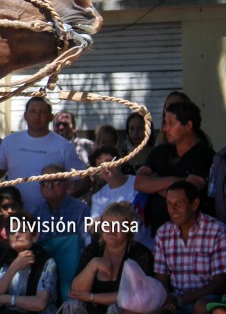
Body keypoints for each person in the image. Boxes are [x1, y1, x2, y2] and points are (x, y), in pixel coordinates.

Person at [0, 97, 87, 212]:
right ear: (25, 115)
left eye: (42, 112)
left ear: (51, 117)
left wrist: (62, 201)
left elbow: (84, 180)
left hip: (51, 219)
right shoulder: (10, 142)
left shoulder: (63, 146)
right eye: (33, 111)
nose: (37, 116)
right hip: (16, 217)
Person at [135, 100, 215, 235]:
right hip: (158, 232)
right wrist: (174, 181)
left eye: (171, 123)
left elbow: (186, 195)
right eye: (165, 123)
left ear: (188, 125)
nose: (165, 128)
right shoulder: (159, 151)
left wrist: (155, 184)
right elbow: (138, 182)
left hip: (194, 234)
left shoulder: (205, 155)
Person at [61, 202, 154, 314]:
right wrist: (93, 265)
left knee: (117, 308)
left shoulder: (140, 253)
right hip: (93, 310)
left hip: (125, 310)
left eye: (118, 225)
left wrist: (91, 297)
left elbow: (134, 296)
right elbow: (76, 291)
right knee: (73, 305)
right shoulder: (94, 250)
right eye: (107, 224)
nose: (111, 229)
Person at [154, 181, 226, 314]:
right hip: (175, 302)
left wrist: (181, 299)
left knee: (202, 306)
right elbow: (161, 278)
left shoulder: (217, 230)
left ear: (195, 204)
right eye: (169, 203)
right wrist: (168, 299)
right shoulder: (163, 233)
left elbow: (219, 283)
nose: (172, 209)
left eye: (179, 203)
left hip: (208, 301)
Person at [31, 164, 90, 302]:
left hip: (73, 279)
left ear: (68, 184)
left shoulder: (81, 210)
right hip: (43, 282)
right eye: (44, 182)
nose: (49, 186)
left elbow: (87, 249)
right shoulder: (35, 212)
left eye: (55, 181)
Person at [0, 211, 58, 314]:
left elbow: (40, 303)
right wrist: (14, 267)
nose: (17, 234)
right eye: (12, 231)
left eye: (22, 230)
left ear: (35, 236)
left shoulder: (46, 262)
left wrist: (6, 299)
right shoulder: (8, 259)